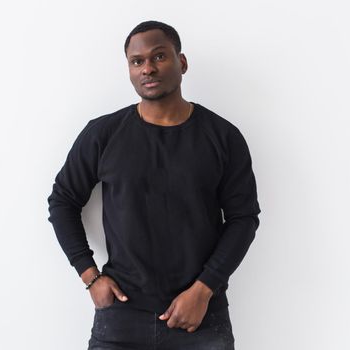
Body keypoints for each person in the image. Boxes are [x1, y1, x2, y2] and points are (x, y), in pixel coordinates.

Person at [47, 20, 261, 350]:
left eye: (159, 57)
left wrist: (204, 288)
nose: (148, 68)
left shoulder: (222, 136)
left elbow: (243, 217)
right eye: (137, 61)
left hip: (200, 316)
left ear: (182, 62)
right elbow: (62, 200)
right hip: (121, 315)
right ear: (130, 69)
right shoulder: (103, 134)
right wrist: (90, 276)